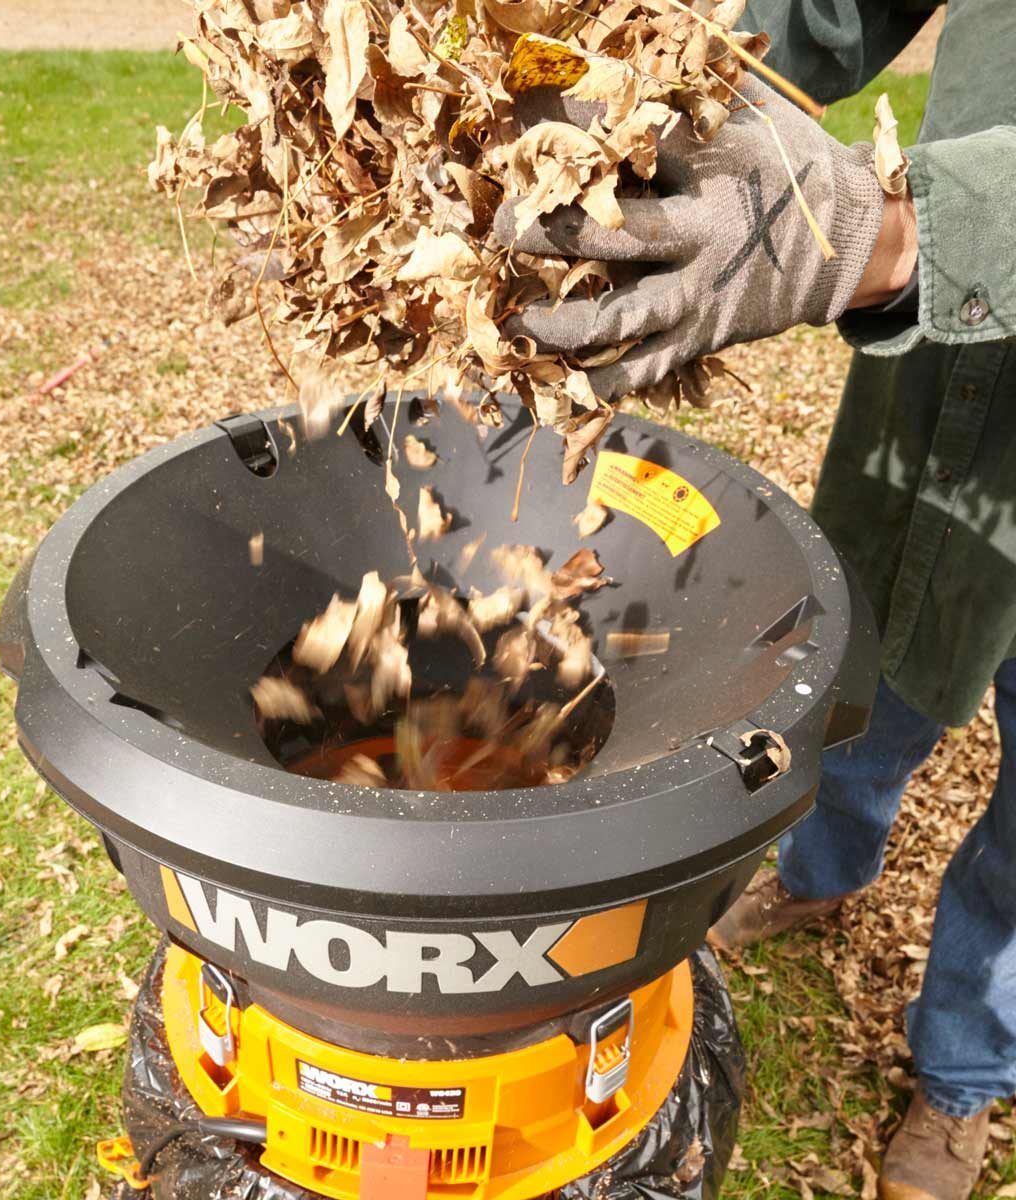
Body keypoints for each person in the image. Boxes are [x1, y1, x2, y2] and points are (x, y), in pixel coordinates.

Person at [492, 3, 1016, 1198]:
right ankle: (825, 877)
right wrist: (673, 86)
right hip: (951, 364)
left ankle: (967, 1069)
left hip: (936, 256)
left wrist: (896, 233)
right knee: (871, 665)